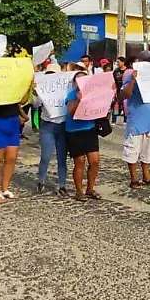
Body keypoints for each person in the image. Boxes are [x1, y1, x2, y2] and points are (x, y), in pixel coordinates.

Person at [0, 76, 30, 204]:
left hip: (12, 123)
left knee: (11, 158)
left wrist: (29, 86)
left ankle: (5, 188)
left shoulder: (13, 85)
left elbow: (22, 101)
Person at [120, 51, 150, 189]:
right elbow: (124, 94)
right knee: (132, 149)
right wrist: (132, 80)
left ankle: (146, 176)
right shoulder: (131, 75)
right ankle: (134, 178)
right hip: (137, 119)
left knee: (148, 150)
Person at [65, 66, 101, 200]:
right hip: (75, 131)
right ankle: (79, 191)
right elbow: (72, 112)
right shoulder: (71, 95)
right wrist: (80, 100)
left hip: (89, 129)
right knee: (79, 161)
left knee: (95, 161)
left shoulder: (93, 93)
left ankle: (90, 189)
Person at [34, 63, 68, 195]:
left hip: (62, 125)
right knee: (46, 156)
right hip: (47, 125)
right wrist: (37, 93)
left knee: (62, 157)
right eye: (49, 74)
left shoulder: (65, 88)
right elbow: (35, 104)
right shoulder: (42, 88)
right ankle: (41, 181)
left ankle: (62, 185)